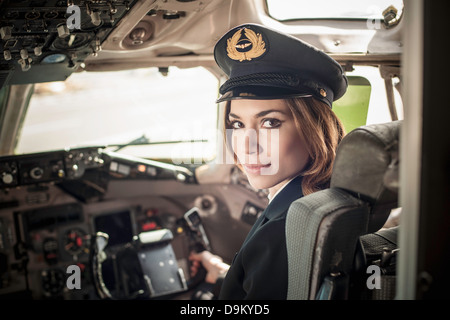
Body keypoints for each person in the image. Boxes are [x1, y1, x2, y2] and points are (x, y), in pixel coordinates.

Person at [189, 23, 348, 300]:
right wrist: (222, 275)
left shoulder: (284, 228)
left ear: (315, 129)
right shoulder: (315, 200)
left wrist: (202, 296)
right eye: (237, 124)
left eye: (270, 122)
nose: (247, 146)